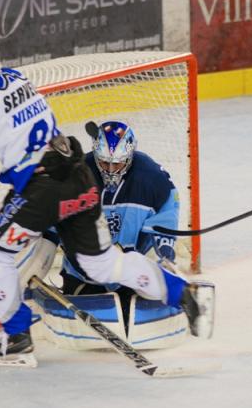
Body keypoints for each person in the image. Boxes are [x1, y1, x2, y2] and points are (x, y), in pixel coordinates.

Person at [0, 36, 209, 368]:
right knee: (102, 262)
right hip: (78, 177)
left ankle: (17, 340)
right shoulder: (16, 79)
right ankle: (181, 292)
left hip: (41, 190)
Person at [59, 120, 180, 299]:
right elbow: (54, 215)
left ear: (130, 156)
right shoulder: (76, 175)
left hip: (132, 276)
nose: (111, 171)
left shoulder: (152, 178)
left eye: (117, 164)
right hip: (83, 275)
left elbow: (167, 211)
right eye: (104, 163)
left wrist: (164, 255)